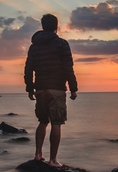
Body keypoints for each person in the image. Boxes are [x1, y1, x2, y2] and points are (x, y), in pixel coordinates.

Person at [24, 13, 78, 168]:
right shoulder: (62, 44)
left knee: (42, 121)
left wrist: (30, 88)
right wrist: (73, 89)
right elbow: (68, 67)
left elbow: (28, 69)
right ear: (56, 26)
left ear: (42, 26)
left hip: (40, 89)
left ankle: (38, 154)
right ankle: (53, 160)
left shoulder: (34, 46)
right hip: (56, 89)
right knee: (56, 123)